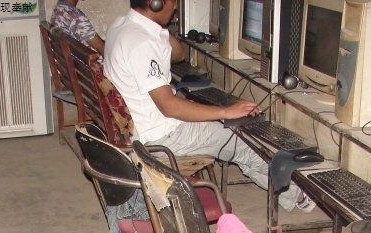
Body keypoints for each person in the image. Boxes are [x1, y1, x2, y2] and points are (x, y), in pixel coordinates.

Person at [103, 0, 315, 212]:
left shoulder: (122, 26)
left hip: (143, 128)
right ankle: (298, 195)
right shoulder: (141, 44)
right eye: (172, 1)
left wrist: (159, 29)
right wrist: (225, 111)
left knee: (221, 121)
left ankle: (285, 188)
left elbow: (179, 55)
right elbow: (170, 107)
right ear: (155, 2)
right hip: (162, 137)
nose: (175, 7)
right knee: (242, 139)